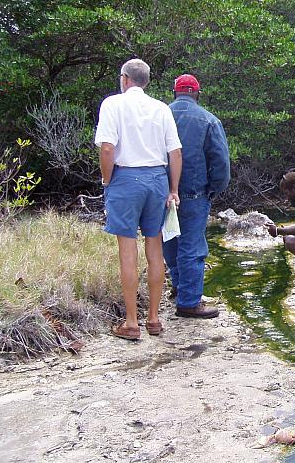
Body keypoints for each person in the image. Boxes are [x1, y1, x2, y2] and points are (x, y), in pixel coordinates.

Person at [95, 58, 182, 340]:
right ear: (145, 81)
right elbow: (175, 153)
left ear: (124, 78)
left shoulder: (113, 104)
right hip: (157, 179)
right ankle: (154, 319)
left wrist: (108, 181)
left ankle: (131, 323)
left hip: (126, 178)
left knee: (127, 250)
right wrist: (173, 189)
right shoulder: (161, 108)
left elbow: (108, 148)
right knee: (154, 247)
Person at [163, 74, 230, 318]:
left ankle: (179, 288)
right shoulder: (209, 120)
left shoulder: (160, 115)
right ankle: (189, 302)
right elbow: (221, 162)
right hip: (194, 193)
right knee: (192, 247)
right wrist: (214, 189)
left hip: (163, 193)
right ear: (197, 94)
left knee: (170, 242)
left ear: (175, 92)